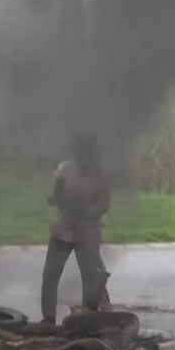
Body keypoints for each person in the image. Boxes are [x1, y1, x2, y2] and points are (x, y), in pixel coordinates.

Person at [40, 134, 111, 325]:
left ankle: (89, 318)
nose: (83, 159)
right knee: (50, 275)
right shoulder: (65, 170)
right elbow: (52, 197)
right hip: (62, 232)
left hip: (86, 234)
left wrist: (85, 209)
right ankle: (48, 319)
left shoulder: (100, 175)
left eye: (87, 155)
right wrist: (58, 197)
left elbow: (104, 206)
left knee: (90, 278)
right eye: (80, 154)